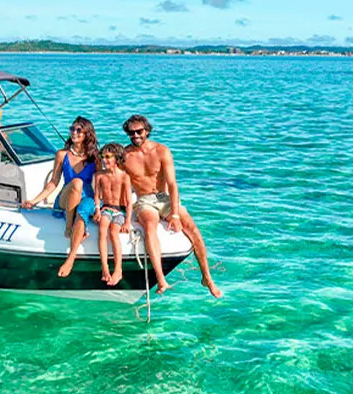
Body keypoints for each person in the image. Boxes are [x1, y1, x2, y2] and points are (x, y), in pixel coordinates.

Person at [121, 114, 222, 298]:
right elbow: (117, 179)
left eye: (139, 131)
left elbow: (173, 184)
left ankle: (207, 277)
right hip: (144, 200)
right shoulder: (125, 156)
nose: (135, 135)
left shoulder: (161, 151)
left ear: (147, 131)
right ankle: (160, 279)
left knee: (191, 227)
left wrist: (175, 214)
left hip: (164, 197)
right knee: (150, 227)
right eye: (131, 132)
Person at [22, 117, 98, 278]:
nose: (74, 133)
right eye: (72, 129)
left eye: (78, 130)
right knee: (77, 182)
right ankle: (68, 226)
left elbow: (100, 184)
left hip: (86, 198)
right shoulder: (62, 155)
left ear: (87, 134)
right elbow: (53, 182)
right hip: (66, 197)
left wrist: (99, 207)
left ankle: (71, 258)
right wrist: (34, 201)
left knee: (84, 210)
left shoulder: (95, 158)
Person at [91, 143, 133, 286]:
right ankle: (105, 268)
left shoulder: (124, 177)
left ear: (117, 158)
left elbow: (128, 201)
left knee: (114, 233)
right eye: (102, 157)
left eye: (108, 157)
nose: (104, 160)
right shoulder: (99, 176)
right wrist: (97, 209)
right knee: (102, 230)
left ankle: (118, 269)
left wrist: (127, 221)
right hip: (106, 208)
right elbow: (97, 196)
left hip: (119, 210)